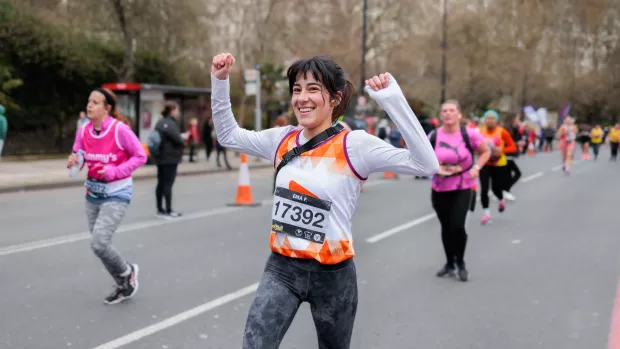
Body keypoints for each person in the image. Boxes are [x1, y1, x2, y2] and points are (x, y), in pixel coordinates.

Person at [210, 52, 438, 349]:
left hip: (334, 275)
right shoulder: (282, 140)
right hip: (282, 270)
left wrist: (392, 100)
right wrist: (220, 80)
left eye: (313, 89)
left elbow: (426, 165)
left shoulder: (354, 145)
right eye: (297, 89)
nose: (302, 98)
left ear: (334, 98)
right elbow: (228, 135)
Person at [67, 87, 147, 304]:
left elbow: (140, 156)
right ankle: (124, 283)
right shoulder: (83, 130)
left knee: (99, 243)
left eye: (95, 102)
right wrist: (74, 163)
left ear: (107, 108)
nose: (89, 105)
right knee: (99, 246)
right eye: (89, 101)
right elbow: (79, 159)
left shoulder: (120, 130)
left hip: (117, 193)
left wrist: (114, 171)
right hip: (93, 193)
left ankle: (127, 271)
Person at [429, 100, 491, 281]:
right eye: (445, 111)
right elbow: (422, 154)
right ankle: (449, 263)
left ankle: (461, 262)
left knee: (457, 225)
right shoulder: (434, 135)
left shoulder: (468, 134)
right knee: (446, 227)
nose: (448, 113)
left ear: (459, 114)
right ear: (441, 115)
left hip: (462, 186)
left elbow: (485, 151)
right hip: (439, 187)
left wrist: (477, 168)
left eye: (452, 110)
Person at [478, 110, 517, 225]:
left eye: (492, 118)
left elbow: (513, 147)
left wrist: (502, 150)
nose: (490, 120)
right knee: (484, 189)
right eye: (488, 118)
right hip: (484, 163)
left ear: (496, 120)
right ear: (484, 120)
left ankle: (500, 200)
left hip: (499, 164)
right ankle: (486, 214)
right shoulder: (480, 132)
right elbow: (474, 145)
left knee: (496, 189)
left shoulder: (502, 132)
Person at [153, 101, 189, 219]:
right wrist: (183, 138)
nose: (178, 113)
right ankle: (168, 210)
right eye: (177, 110)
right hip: (170, 158)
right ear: (172, 110)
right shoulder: (170, 123)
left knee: (160, 183)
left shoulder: (159, 122)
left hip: (160, 157)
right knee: (168, 184)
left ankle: (159, 208)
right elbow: (177, 140)